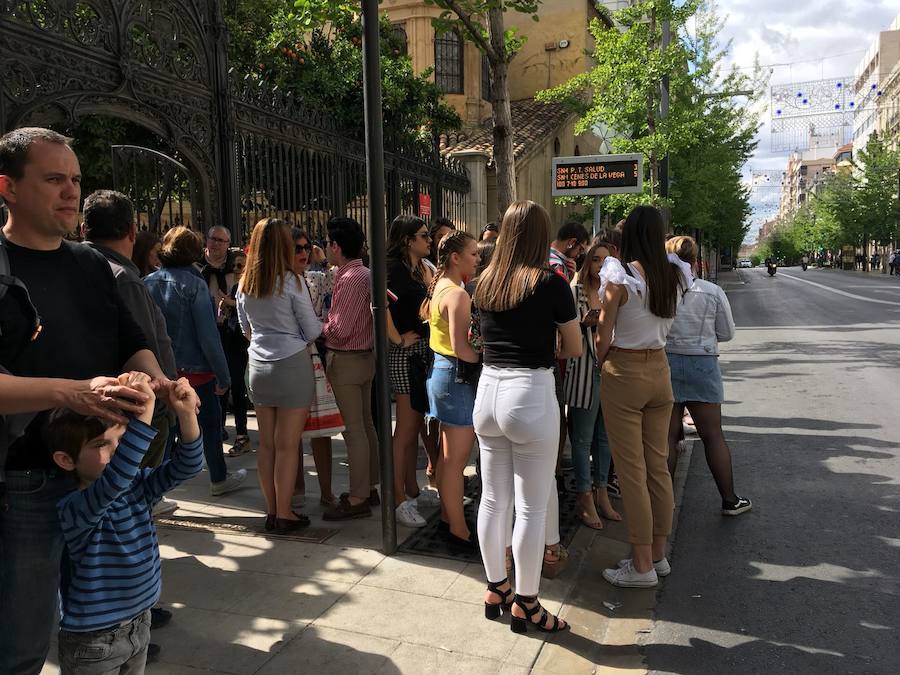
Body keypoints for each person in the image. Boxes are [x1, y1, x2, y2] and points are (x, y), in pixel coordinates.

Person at [0, 127, 172, 674]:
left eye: (75, 179)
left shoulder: (93, 264)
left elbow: (132, 343)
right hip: (27, 480)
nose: (71, 192)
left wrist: (155, 381)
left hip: (103, 469)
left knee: (108, 617)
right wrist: (71, 392)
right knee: (24, 641)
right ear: (7, 187)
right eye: (54, 179)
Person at [474, 200, 581, 634]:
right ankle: (528, 603)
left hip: (488, 390)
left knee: (493, 499)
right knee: (532, 508)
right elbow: (573, 348)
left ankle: (496, 586)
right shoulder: (551, 284)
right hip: (531, 392)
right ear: (540, 236)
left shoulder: (483, 282)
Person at [50, 372, 203, 675]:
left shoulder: (137, 485)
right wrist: (144, 411)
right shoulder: (75, 507)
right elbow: (114, 480)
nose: (118, 450)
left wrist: (186, 415)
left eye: (120, 438)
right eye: (101, 445)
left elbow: (188, 466)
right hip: (93, 643)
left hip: (139, 624)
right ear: (67, 461)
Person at [595, 205, 691, 588]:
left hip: (625, 369)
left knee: (631, 471)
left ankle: (640, 565)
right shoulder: (674, 274)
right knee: (658, 466)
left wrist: (602, 362)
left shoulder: (620, 276)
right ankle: (657, 554)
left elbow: (604, 334)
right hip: (660, 371)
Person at [145, 227, 246, 497]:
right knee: (211, 427)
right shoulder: (195, 284)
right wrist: (223, 377)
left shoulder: (148, 282)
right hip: (197, 373)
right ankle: (219, 477)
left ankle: (157, 490)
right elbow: (208, 335)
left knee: (165, 431)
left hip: (161, 370)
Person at [237, 217, 322, 533]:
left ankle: (272, 510)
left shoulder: (245, 281)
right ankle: (285, 512)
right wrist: (295, 338)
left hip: (258, 366)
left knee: (267, 445)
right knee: (288, 444)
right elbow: (312, 328)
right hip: (290, 363)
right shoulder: (292, 281)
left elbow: (245, 329)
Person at [664, 236, 751, 516]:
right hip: (703, 363)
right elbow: (727, 333)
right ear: (695, 260)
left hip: (666, 363)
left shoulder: (659, 291)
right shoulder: (711, 291)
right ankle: (729, 499)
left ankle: (664, 503)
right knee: (712, 435)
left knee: (667, 437)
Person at [422, 230, 481, 551]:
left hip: (441, 374)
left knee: (447, 457)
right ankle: (458, 529)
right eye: (473, 253)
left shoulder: (442, 287)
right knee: (456, 460)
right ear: (455, 257)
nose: (478, 258)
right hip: (456, 376)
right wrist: (485, 358)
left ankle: (449, 517)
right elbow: (462, 348)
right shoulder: (457, 294)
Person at [321, 217, 380, 520]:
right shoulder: (364, 273)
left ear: (336, 246)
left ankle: (358, 496)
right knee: (365, 425)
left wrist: (319, 325)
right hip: (364, 357)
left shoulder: (349, 278)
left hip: (347, 359)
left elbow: (339, 330)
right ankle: (368, 486)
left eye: (327, 243)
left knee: (354, 430)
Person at [564, 240, 621, 530]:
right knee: (583, 439)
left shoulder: (616, 292)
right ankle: (585, 496)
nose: (601, 266)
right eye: (596, 260)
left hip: (610, 371)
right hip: (583, 371)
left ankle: (602, 492)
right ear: (588, 263)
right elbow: (562, 334)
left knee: (605, 438)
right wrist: (584, 324)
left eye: (606, 260)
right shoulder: (574, 292)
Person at [386, 214, 436, 528]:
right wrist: (396, 338)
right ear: (407, 239)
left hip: (420, 352)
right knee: (405, 431)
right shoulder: (393, 269)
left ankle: (411, 489)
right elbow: (378, 305)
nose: (429, 240)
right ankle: (398, 499)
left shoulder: (418, 269)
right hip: (406, 354)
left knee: (413, 426)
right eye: (423, 235)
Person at [290, 227, 336, 507]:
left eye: (307, 247)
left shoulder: (315, 278)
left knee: (321, 429)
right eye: (297, 248)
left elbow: (337, 281)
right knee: (290, 432)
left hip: (314, 354)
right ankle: (296, 489)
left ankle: (327, 492)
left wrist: (325, 259)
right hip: (290, 359)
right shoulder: (275, 283)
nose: (304, 253)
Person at [217, 248, 252, 456]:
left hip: (245, 341)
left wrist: (232, 302)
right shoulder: (233, 284)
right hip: (233, 340)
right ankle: (237, 433)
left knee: (240, 387)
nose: (237, 269)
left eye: (241, 265)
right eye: (234, 265)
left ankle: (242, 434)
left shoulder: (247, 285)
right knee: (234, 385)